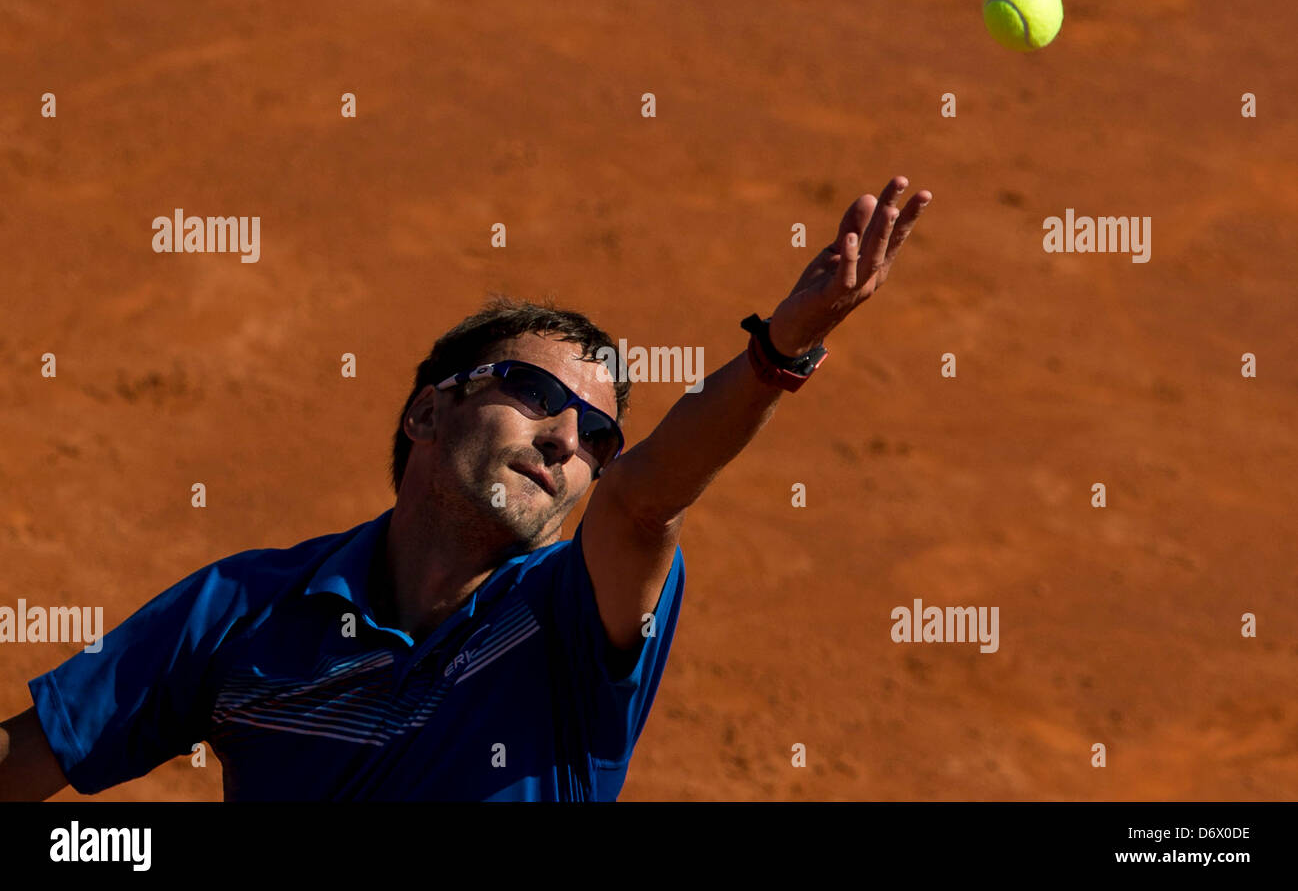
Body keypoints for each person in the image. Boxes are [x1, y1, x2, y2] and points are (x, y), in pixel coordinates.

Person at [0, 179, 930, 800]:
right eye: (533, 394)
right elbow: (31, 760)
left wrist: (778, 351)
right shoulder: (241, 607)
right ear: (427, 414)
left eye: (597, 436)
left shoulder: (572, 621)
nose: (568, 439)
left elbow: (646, 499)